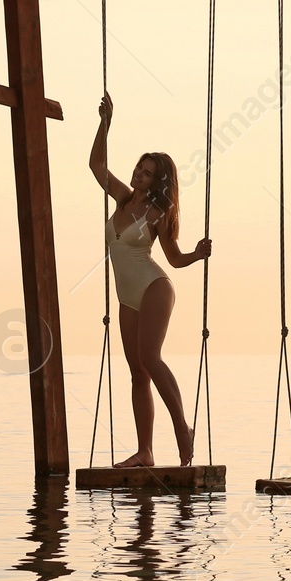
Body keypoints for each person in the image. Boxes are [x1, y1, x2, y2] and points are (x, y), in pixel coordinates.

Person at [89, 93, 212, 467]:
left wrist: (197, 253)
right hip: (127, 297)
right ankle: (145, 452)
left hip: (154, 287)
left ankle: (182, 428)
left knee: (150, 357)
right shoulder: (123, 200)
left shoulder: (157, 212)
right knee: (136, 371)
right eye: (137, 169)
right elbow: (96, 165)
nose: (137, 175)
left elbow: (172, 259)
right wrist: (105, 123)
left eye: (145, 172)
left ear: (157, 180)